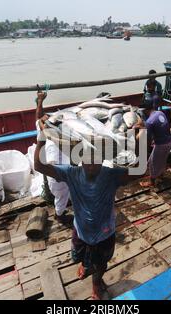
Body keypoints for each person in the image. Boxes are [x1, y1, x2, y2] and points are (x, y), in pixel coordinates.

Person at [34, 109, 143, 300]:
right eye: (87, 159)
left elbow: (140, 171)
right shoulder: (71, 173)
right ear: (79, 159)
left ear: (103, 159)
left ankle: (96, 284)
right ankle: (85, 265)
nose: (91, 164)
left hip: (105, 232)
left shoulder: (111, 175)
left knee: (101, 264)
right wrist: (42, 136)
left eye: (96, 159)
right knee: (80, 258)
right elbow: (39, 166)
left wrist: (142, 139)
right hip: (81, 231)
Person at [35, 91, 72, 225]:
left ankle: (61, 209)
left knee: (62, 195)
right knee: (61, 195)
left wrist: (40, 101)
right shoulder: (57, 140)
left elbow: (38, 118)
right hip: (58, 174)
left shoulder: (42, 132)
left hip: (57, 171)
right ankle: (59, 215)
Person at [135, 100, 171, 188]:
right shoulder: (160, 113)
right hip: (169, 142)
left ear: (145, 110)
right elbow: (157, 125)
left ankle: (151, 182)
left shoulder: (149, 121)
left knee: (153, 163)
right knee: (162, 160)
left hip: (161, 145)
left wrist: (138, 135)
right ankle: (161, 174)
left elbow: (147, 138)